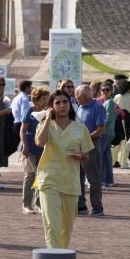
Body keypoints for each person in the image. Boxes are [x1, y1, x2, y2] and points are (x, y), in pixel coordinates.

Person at [35, 90, 94, 248]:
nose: (62, 105)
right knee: (52, 224)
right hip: (48, 179)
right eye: (57, 103)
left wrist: (81, 156)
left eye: (65, 102)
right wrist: (47, 119)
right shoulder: (45, 125)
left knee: (66, 227)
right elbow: (40, 143)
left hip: (70, 181)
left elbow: (87, 155)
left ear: (70, 104)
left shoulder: (80, 128)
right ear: (52, 107)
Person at [74, 85, 105, 216]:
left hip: (91, 145)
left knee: (93, 177)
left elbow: (100, 129)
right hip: (78, 145)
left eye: (77, 96)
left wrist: (86, 138)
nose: (75, 99)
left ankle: (97, 207)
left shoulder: (98, 108)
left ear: (83, 97)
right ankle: (81, 205)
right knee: (78, 176)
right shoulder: (80, 107)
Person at [20, 87, 50, 214]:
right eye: (43, 99)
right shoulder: (30, 111)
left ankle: (38, 204)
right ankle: (26, 204)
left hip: (43, 148)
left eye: (47, 98)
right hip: (30, 147)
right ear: (36, 100)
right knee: (30, 175)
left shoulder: (49, 112)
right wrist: (25, 146)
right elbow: (22, 130)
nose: (46, 101)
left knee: (42, 176)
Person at [112, 80, 130, 168]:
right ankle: (123, 163)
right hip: (128, 121)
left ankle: (112, 161)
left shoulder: (116, 96)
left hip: (117, 120)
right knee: (126, 142)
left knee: (117, 141)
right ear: (129, 88)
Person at [99, 83, 117, 187]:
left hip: (105, 132)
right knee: (106, 157)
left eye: (107, 90)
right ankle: (109, 180)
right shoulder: (107, 102)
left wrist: (101, 128)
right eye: (103, 90)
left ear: (111, 91)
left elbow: (108, 118)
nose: (105, 92)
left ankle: (101, 180)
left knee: (100, 157)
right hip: (108, 132)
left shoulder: (109, 102)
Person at [11, 80, 33, 153]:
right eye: (30, 87)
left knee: (17, 147)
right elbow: (25, 114)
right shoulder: (25, 99)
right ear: (27, 88)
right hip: (21, 124)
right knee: (24, 147)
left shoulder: (16, 97)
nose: (32, 88)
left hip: (15, 123)